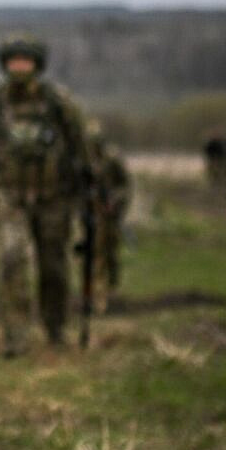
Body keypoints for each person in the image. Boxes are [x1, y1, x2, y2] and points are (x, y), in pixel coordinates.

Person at [0, 36, 91, 355]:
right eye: (13, 61)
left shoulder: (57, 102)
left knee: (54, 266)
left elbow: (82, 149)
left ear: (37, 66)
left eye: (25, 61)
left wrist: (87, 190)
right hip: (11, 196)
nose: (19, 67)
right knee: (11, 260)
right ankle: (15, 336)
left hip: (54, 197)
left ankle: (55, 328)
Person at [85, 130, 132, 314]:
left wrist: (115, 202)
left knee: (110, 253)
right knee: (96, 256)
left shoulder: (111, 160)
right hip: (92, 213)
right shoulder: (83, 161)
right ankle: (98, 297)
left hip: (110, 215)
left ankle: (111, 291)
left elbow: (125, 186)